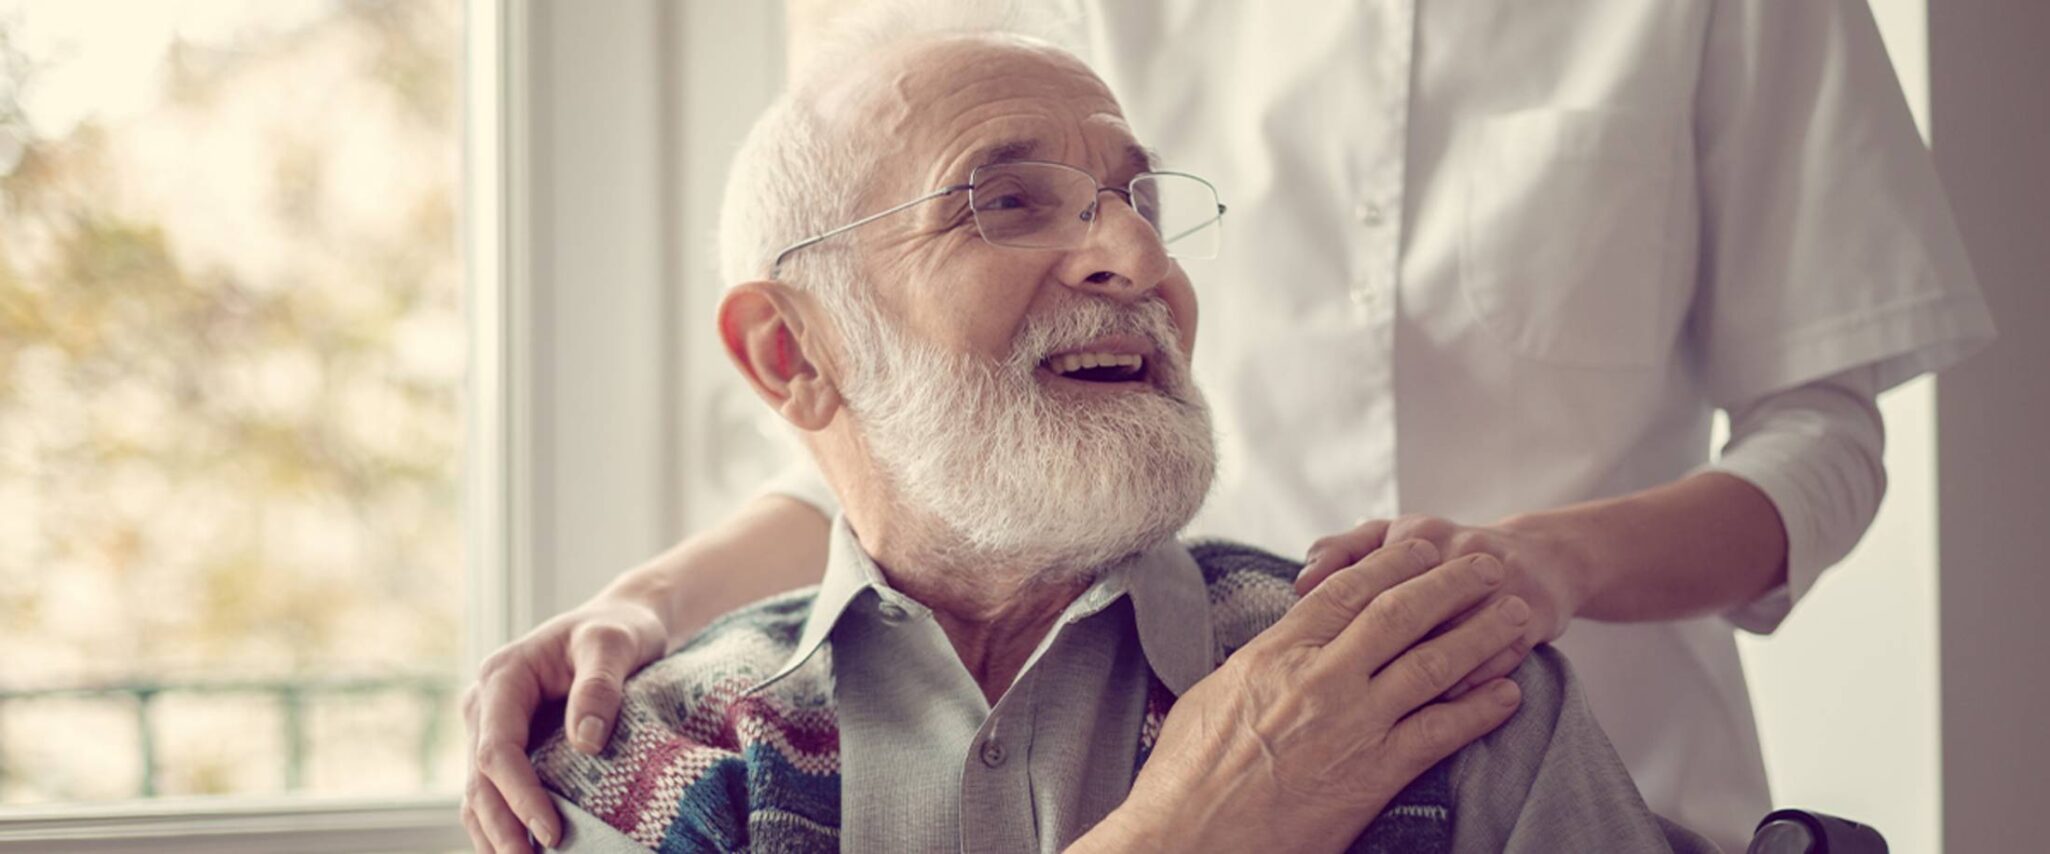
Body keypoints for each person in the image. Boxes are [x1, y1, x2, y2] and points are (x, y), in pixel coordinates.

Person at [464, 1, 1995, 851]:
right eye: (1021, 199)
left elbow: (1825, 430)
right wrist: (646, 607)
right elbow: (926, 416)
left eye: (1139, 203)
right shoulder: (696, 765)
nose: (1131, 257)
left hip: (1535, 736)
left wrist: (1535, 573)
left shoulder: (1508, 715)